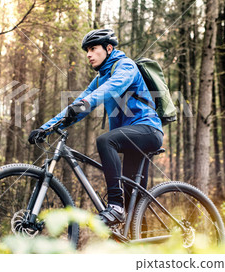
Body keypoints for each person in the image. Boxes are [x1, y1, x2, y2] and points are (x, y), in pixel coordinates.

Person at [28, 28, 163, 226]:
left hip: (148, 129)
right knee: (132, 209)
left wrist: (86, 102)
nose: (89, 55)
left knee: (105, 140)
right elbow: (77, 105)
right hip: (130, 137)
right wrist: (45, 128)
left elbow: (113, 87)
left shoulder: (125, 66)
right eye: (87, 51)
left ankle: (114, 206)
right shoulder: (100, 78)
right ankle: (135, 241)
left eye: (93, 49)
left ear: (109, 48)